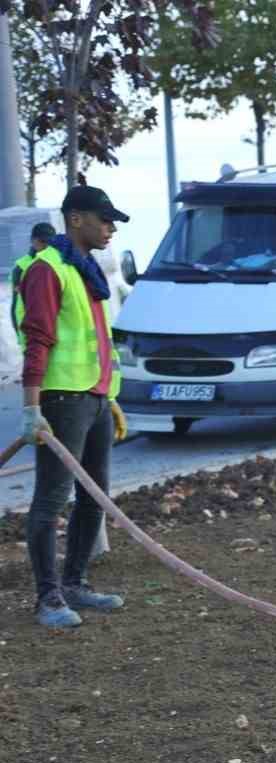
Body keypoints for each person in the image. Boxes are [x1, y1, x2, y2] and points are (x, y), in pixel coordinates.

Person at [17, 185, 129, 629]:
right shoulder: (48, 270)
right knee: (50, 499)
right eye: (104, 220)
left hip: (95, 397)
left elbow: (97, 341)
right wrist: (31, 406)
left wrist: (110, 398)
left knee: (94, 495)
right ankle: (48, 598)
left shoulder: (85, 270)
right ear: (76, 219)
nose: (111, 229)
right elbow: (38, 339)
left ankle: (76, 584)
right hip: (63, 399)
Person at [12, 222, 56, 329]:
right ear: (32, 240)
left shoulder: (61, 261)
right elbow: (16, 304)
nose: (46, 246)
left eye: (49, 242)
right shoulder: (21, 267)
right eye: (42, 241)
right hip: (32, 326)